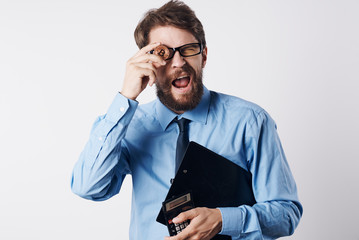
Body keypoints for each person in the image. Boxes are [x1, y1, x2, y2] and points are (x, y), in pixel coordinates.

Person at [71, 1, 303, 239]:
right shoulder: (131, 125)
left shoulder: (251, 122)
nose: (179, 62)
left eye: (189, 49)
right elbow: (89, 187)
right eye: (163, 53)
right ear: (147, 62)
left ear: (203, 55)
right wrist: (125, 97)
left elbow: (287, 214)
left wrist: (225, 219)